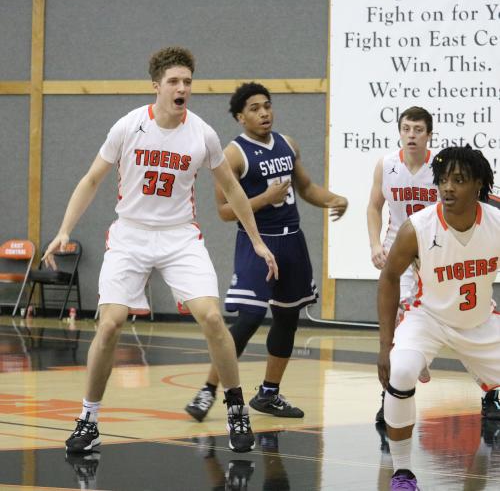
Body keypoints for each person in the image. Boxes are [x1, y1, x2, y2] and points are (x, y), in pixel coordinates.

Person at [43, 47, 278, 454]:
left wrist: (257, 240)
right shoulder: (129, 126)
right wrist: (64, 229)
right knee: (111, 323)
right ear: (157, 86)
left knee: (211, 317)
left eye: (187, 81)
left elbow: (233, 189)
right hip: (131, 234)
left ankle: (236, 409)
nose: (182, 87)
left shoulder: (202, 133)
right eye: (174, 81)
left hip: (179, 236)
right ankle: (88, 418)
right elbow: (92, 179)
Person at [185, 82, 348, 422]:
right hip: (257, 242)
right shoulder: (232, 154)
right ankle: (207, 390)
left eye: (267, 106)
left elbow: (305, 188)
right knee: (248, 318)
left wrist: (333, 198)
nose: (264, 113)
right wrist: (264, 199)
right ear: (240, 117)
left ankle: (269, 394)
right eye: (255, 108)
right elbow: (225, 211)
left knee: (288, 317)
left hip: (292, 241)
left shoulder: (287, 144)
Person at [377, 145, 500, 489]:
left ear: (478, 184)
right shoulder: (417, 227)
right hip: (427, 319)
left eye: (458, 180)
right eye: (443, 180)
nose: (447, 187)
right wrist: (385, 344)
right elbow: (388, 278)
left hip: (479, 321)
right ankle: (402, 473)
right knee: (400, 373)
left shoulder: (496, 222)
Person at [367, 106, 438, 422]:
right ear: (399, 132)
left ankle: (490, 393)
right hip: (399, 250)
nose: (411, 135)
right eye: (406, 128)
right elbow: (373, 206)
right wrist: (373, 244)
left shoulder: (440, 166)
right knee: (395, 319)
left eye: (418, 129)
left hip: (434, 249)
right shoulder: (387, 164)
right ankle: (389, 397)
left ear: (428, 135)